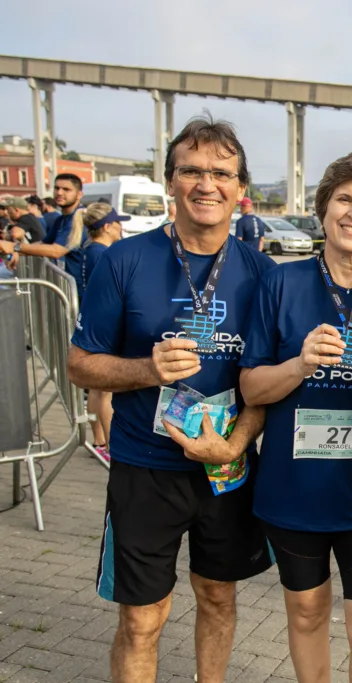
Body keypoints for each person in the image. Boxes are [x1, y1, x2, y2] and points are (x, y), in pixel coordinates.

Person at [65, 115, 275, 683]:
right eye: (191, 171)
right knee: (142, 619)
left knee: (217, 597)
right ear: (170, 182)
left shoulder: (263, 274)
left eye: (221, 173)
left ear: (239, 189)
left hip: (225, 468)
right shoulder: (123, 260)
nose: (206, 184)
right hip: (143, 468)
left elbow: (264, 382)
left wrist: (233, 444)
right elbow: (79, 363)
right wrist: (145, 368)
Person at [239, 149, 352, 683]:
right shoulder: (280, 284)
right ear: (323, 209)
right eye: (344, 199)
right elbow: (250, 385)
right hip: (294, 490)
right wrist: (298, 364)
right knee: (308, 613)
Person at [64, 202, 129, 463]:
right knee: (105, 391)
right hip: (104, 325)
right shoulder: (103, 253)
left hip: (90, 321)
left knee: (95, 390)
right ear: (107, 226)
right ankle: (110, 445)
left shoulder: (89, 249)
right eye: (118, 222)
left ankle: (99, 439)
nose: (121, 228)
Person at [0, 173, 86, 265]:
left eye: (66, 189)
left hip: (82, 278)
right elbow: (43, 244)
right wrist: (17, 252)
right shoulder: (61, 219)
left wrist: (15, 247)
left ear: (79, 195)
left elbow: (56, 251)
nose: (59, 193)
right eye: (57, 188)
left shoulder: (80, 217)